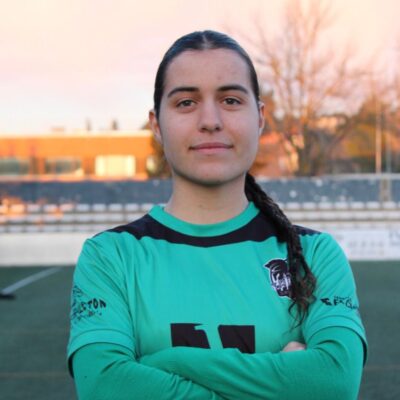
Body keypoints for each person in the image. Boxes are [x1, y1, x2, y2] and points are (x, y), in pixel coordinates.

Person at [67, 30, 367, 399]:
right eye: (186, 102)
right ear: (157, 124)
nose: (210, 120)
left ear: (259, 118)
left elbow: (334, 383)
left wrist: (165, 362)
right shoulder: (111, 257)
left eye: (230, 100)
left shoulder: (315, 255)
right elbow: (104, 386)